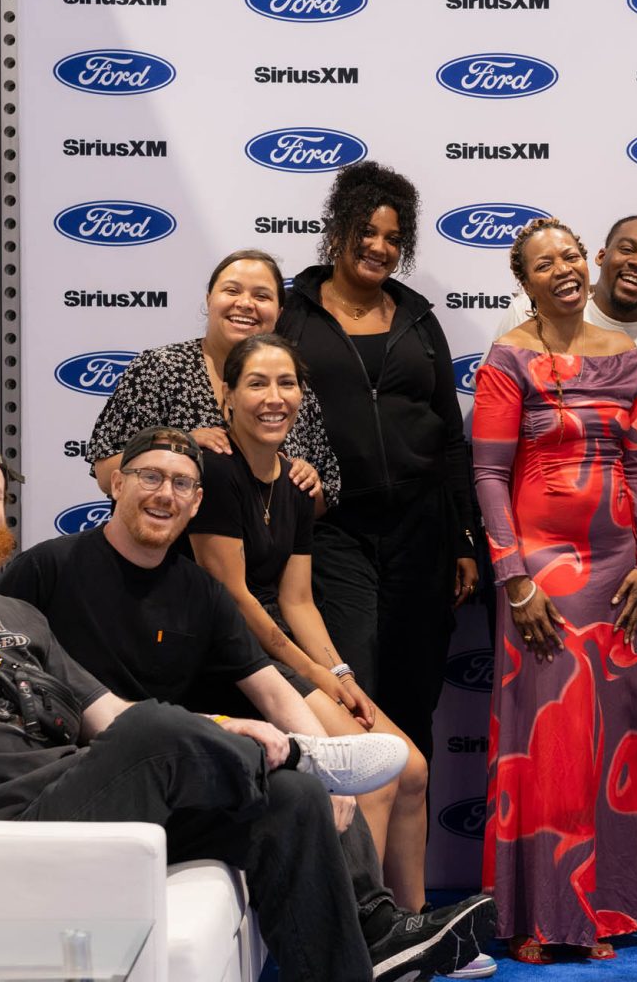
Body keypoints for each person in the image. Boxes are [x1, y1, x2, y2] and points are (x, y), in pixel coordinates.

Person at [0, 434, 494, 982]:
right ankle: (305, 757)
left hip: (89, 793)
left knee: (290, 799)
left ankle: (353, 945)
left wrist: (232, 733)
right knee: (165, 726)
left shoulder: (14, 615)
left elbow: (107, 714)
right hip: (16, 828)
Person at [0, 424, 440, 929]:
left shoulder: (201, 591)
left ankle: (377, 924)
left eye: (181, 484)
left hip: (167, 773)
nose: (165, 494)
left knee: (308, 782)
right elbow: (0, 667)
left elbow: (270, 688)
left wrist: (329, 777)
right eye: (150, 477)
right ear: (117, 483)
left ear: (197, 500)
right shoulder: (45, 568)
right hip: (79, 771)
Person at [472, 217, 637, 963]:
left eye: (572, 255)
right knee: (547, 734)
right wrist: (513, 578)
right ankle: (539, 915)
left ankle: (607, 907)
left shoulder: (621, 352)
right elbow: (488, 474)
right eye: (545, 262)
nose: (565, 269)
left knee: (613, 734)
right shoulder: (509, 356)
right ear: (523, 281)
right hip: (541, 567)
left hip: (620, 564)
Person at [178, 339, 431, 912]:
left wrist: (344, 676)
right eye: (258, 384)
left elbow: (297, 603)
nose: (274, 398)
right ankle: (364, 932)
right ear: (229, 396)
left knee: (411, 766)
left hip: (286, 648)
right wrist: (322, 674)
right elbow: (238, 602)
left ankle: (416, 929)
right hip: (233, 656)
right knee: (370, 775)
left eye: (286, 383)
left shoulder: (296, 484)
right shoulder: (215, 472)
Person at [279, 161, 478, 765]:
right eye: (367, 230)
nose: (379, 246)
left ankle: (403, 855)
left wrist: (465, 538)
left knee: (415, 698)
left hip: (422, 533)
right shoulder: (293, 314)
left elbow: (449, 434)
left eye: (394, 238)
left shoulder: (418, 317)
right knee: (349, 691)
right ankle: (349, 852)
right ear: (338, 230)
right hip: (332, 529)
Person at [495, 214, 637, 630]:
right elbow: (491, 465)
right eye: (628, 249)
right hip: (534, 554)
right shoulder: (520, 324)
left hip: (621, 560)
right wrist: (513, 571)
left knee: (613, 690)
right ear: (601, 257)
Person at [86, 249, 338, 511]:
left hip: (265, 549)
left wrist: (306, 481)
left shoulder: (292, 388)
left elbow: (321, 502)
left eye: (261, 296)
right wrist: (181, 446)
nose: (245, 303)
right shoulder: (159, 369)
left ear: (279, 312)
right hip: (165, 547)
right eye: (232, 291)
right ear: (209, 300)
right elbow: (107, 476)